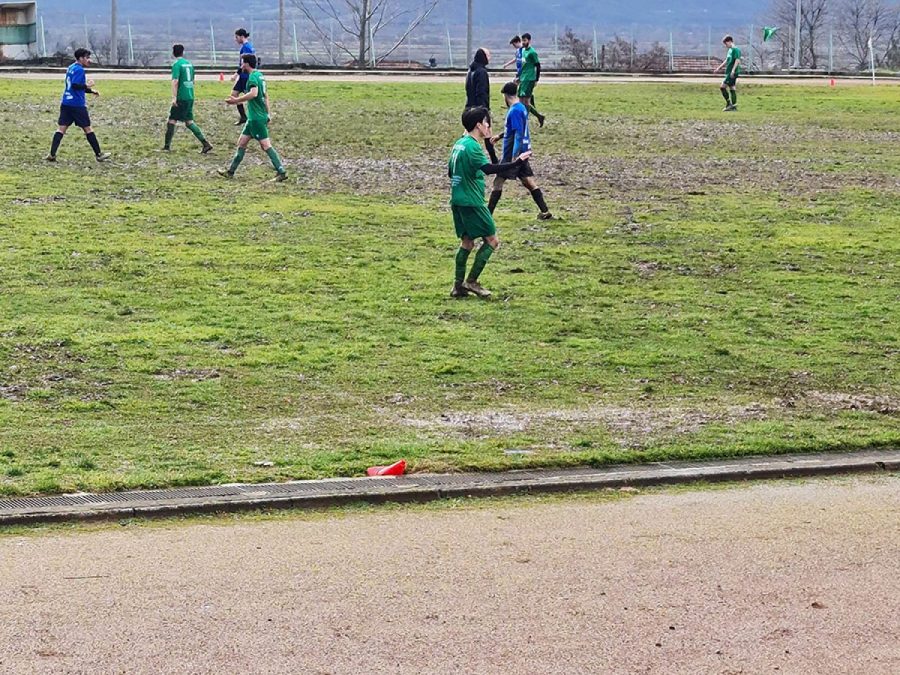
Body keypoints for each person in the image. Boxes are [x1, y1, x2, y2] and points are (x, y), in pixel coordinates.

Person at [448, 106, 530, 299]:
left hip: (457, 200)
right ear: (479, 125)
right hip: (472, 202)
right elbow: (489, 168)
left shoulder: (459, 144)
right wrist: (518, 162)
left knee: (467, 243)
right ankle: (472, 281)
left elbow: (450, 172)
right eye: (487, 123)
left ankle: (458, 286)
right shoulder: (473, 147)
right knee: (492, 240)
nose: (489, 126)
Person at [487, 82, 552, 221]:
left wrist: (515, 157)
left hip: (512, 154)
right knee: (528, 181)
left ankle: (487, 215)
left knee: (498, 181)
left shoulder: (514, 111)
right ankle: (545, 211)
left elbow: (518, 134)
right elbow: (515, 129)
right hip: (524, 152)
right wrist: (499, 136)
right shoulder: (521, 107)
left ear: (505, 95)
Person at [218, 53, 287, 181]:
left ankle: (281, 171)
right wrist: (268, 113)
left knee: (266, 146)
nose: (241, 65)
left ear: (247, 64)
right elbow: (265, 96)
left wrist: (236, 100)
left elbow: (254, 94)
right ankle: (230, 172)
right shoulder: (260, 76)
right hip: (254, 118)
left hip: (256, 118)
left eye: (242, 62)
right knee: (241, 143)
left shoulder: (252, 78)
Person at [45, 48, 110, 162]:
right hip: (77, 105)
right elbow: (76, 85)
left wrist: (91, 91)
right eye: (87, 57)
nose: (89, 60)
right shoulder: (80, 70)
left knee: (61, 129)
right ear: (81, 58)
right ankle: (99, 155)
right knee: (88, 129)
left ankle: (52, 154)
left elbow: (72, 86)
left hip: (66, 102)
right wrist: (87, 85)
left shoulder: (71, 68)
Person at [163, 44, 212, 153]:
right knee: (189, 122)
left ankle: (166, 147)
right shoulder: (189, 64)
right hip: (190, 96)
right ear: (182, 52)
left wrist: (174, 97)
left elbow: (175, 81)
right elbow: (193, 81)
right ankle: (205, 143)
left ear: (173, 53)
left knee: (172, 120)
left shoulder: (177, 64)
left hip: (181, 97)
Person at [465, 47, 498, 163]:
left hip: (469, 107)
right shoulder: (482, 72)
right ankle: (494, 160)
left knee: (468, 134)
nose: (490, 58)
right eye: (488, 55)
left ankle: (463, 154)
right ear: (483, 57)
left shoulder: (470, 70)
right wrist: (484, 110)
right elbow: (482, 91)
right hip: (480, 107)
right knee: (487, 133)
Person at [517, 33, 545, 127]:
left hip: (529, 79)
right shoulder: (524, 51)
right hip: (523, 78)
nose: (523, 42)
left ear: (529, 40)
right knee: (521, 99)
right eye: (522, 40)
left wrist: (536, 79)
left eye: (525, 40)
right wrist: (519, 76)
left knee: (525, 101)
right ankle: (539, 116)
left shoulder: (532, 52)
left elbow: (538, 65)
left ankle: (523, 119)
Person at [230, 28, 256, 125]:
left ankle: (256, 116)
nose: (235, 39)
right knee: (234, 94)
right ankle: (243, 117)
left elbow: (245, 64)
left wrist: (236, 74)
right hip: (243, 76)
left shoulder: (246, 48)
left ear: (241, 36)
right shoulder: (247, 47)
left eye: (236, 37)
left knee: (250, 97)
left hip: (246, 76)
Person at [714, 35, 742, 111]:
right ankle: (734, 107)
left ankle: (729, 104)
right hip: (729, 72)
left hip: (732, 72)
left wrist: (733, 70)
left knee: (722, 87)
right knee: (732, 87)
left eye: (726, 44)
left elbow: (737, 60)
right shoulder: (730, 50)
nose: (726, 46)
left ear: (730, 42)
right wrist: (719, 68)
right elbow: (727, 60)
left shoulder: (736, 50)